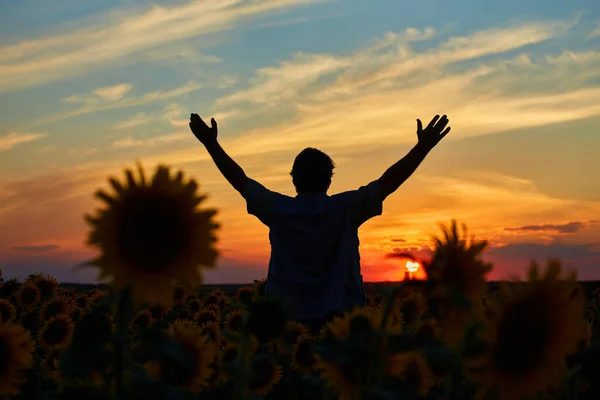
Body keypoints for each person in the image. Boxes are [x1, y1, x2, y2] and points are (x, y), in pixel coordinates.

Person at [189, 113, 450, 332]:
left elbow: (241, 182)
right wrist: (423, 147)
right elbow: (388, 182)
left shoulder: (278, 209)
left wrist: (211, 144)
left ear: (294, 179)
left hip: (286, 326)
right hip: (340, 324)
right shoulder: (346, 209)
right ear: (329, 179)